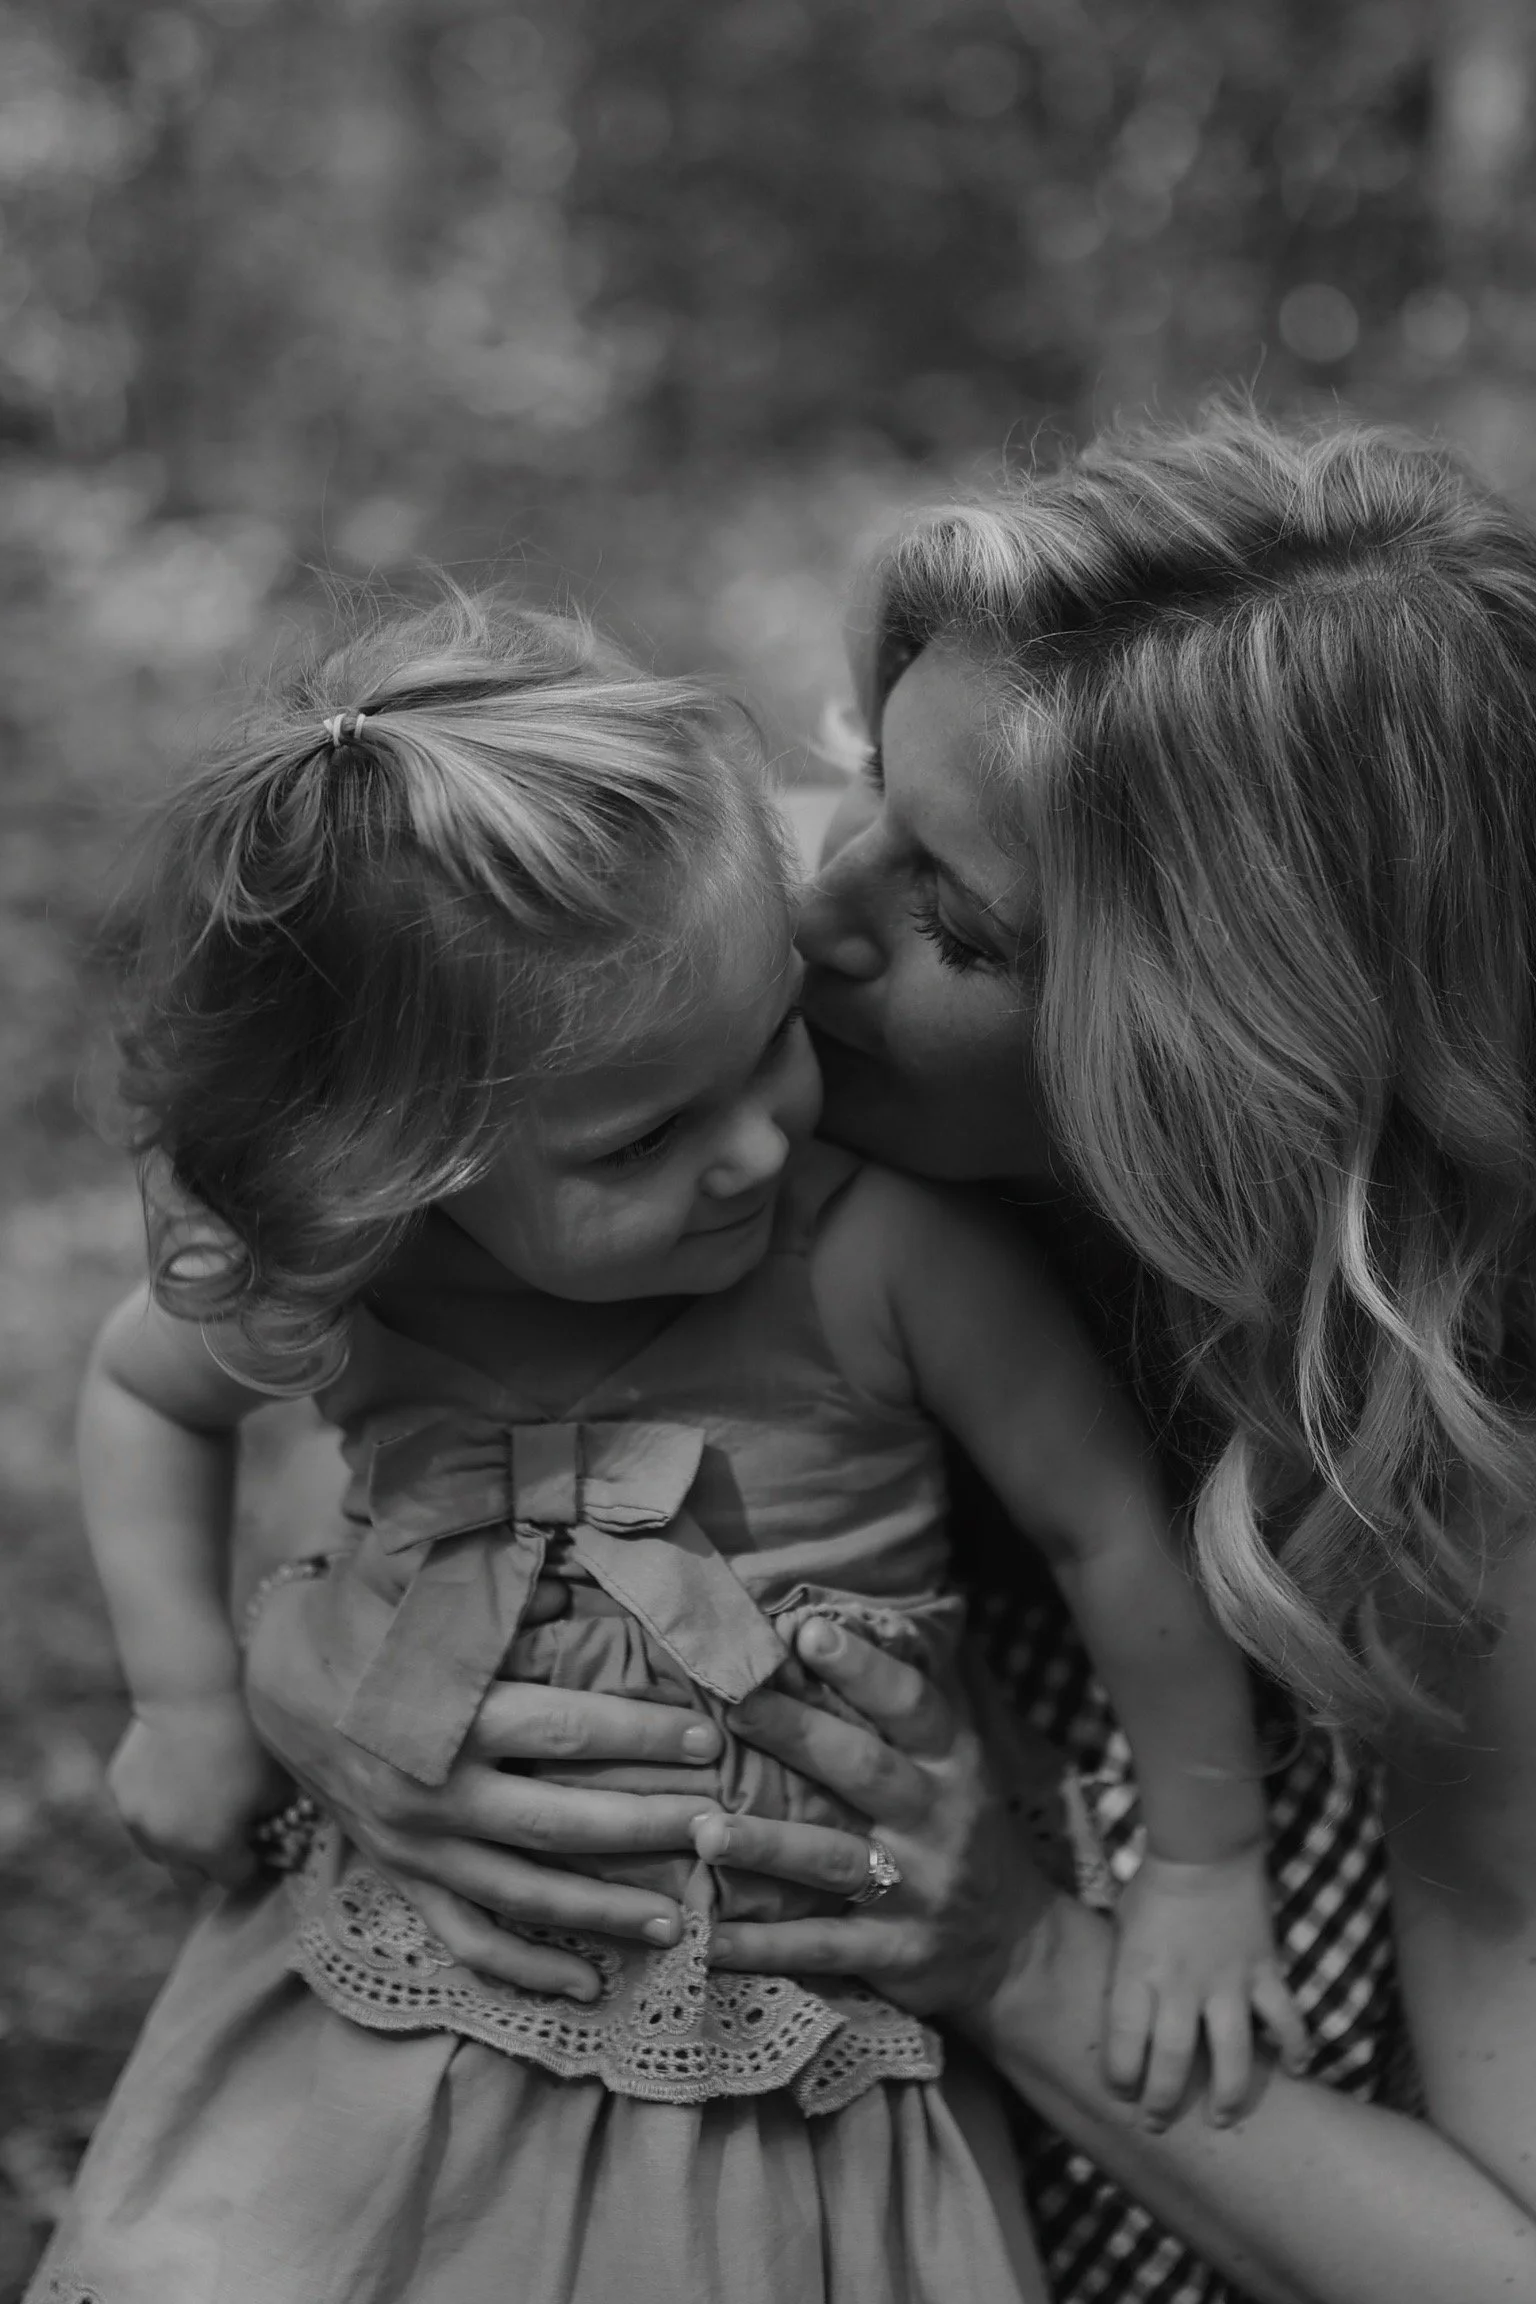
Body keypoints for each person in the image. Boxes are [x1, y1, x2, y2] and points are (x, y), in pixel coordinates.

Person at [236, 409, 1536, 2304]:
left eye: (959, 922)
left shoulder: (1456, 1472)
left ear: (1233, 1057)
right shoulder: (759, 1093)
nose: (810, 916)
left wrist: (1013, 1960)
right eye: (864, 788)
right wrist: (314, 1664)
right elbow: (370, 1284)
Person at [34, 585, 1298, 2304]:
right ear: (406, 1169)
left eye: (770, 1039)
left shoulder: (884, 1258)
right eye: (643, 1139)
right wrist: (188, 1698)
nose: (760, 1149)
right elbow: (142, 1392)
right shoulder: (370, 1275)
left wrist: (1205, 1869)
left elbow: (1112, 1538)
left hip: (783, 2044)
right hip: (402, 1986)